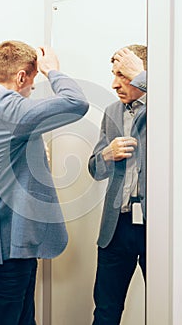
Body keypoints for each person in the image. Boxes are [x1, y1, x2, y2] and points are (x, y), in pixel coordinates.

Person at [0, 40, 89, 324]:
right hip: (4, 247)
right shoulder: (1, 106)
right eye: (32, 85)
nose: (30, 93)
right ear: (21, 76)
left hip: (15, 245)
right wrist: (53, 71)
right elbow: (76, 103)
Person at [88, 44, 147, 325]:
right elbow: (94, 170)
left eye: (123, 75)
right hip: (116, 228)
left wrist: (146, 79)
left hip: (157, 229)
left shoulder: (168, 106)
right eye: (114, 74)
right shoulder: (112, 111)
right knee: (106, 311)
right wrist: (106, 155)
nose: (114, 84)